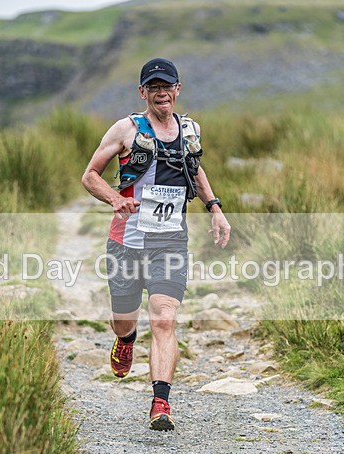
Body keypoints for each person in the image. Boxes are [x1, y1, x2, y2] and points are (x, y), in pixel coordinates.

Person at [81, 58, 231, 431]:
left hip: (170, 242)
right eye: (153, 87)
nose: (161, 92)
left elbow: (193, 168)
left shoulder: (190, 129)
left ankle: (160, 403)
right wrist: (115, 200)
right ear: (143, 92)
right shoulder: (126, 129)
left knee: (164, 319)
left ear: (178, 89)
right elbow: (90, 176)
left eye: (167, 86)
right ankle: (126, 339)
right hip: (126, 241)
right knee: (122, 319)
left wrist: (214, 208)